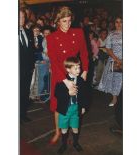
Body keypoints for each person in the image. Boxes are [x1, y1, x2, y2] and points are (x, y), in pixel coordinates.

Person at [46, 6, 89, 144]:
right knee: (58, 104)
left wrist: (85, 71)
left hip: (76, 72)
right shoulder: (52, 37)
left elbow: (84, 53)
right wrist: (65, 80)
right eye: (64, 21)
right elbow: (53, 61)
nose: (67, 24)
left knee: (76, 103)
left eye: (69, 21)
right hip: (60, 75)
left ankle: (73, 130)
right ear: (58, 21)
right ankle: (58, 131)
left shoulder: (78, 32)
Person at [55, 57, 87, 154]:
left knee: (75, 127)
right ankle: (64, 144)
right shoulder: (62, 80)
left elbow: (85, 95)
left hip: (76, 108)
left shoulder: (81, 80)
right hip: (65, 109)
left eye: (79, 67)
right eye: (75, 68)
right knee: (64, 128)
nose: (79, 70)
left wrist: (83, 107)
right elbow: (56, 94)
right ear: (68, 69)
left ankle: (75, 143)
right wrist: (68, 93)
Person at [98, 16, 122, 106]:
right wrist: (116, 59)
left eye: (121, 22)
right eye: (117, 22)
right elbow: (108, 48)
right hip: (114, 59)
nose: (119, 24)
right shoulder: (111, 34)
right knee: (115, 79)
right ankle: (114, 98)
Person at [19, 8, 35, 122]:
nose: (22, 19)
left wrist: (31, 67)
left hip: (27, 70)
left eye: (23, 17)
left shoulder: (28, 31)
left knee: (25, 93)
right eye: (19, 17)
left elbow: (31, 51)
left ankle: (22, 114)